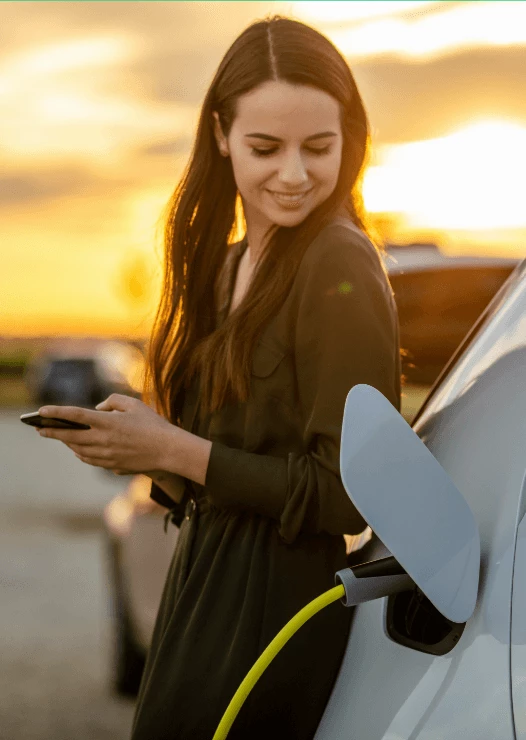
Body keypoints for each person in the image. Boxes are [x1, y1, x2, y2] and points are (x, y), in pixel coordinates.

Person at [36, 14, 402, 740]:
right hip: (199, 583)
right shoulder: (222, 268)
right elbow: (219, 462)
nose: (294, 174)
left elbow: (347, 497)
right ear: (219, 136)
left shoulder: (339, 263)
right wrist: (141, 449)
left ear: (349, 141)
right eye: (266, 147)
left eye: (319, 148)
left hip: (279, 609)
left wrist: (172, 452)